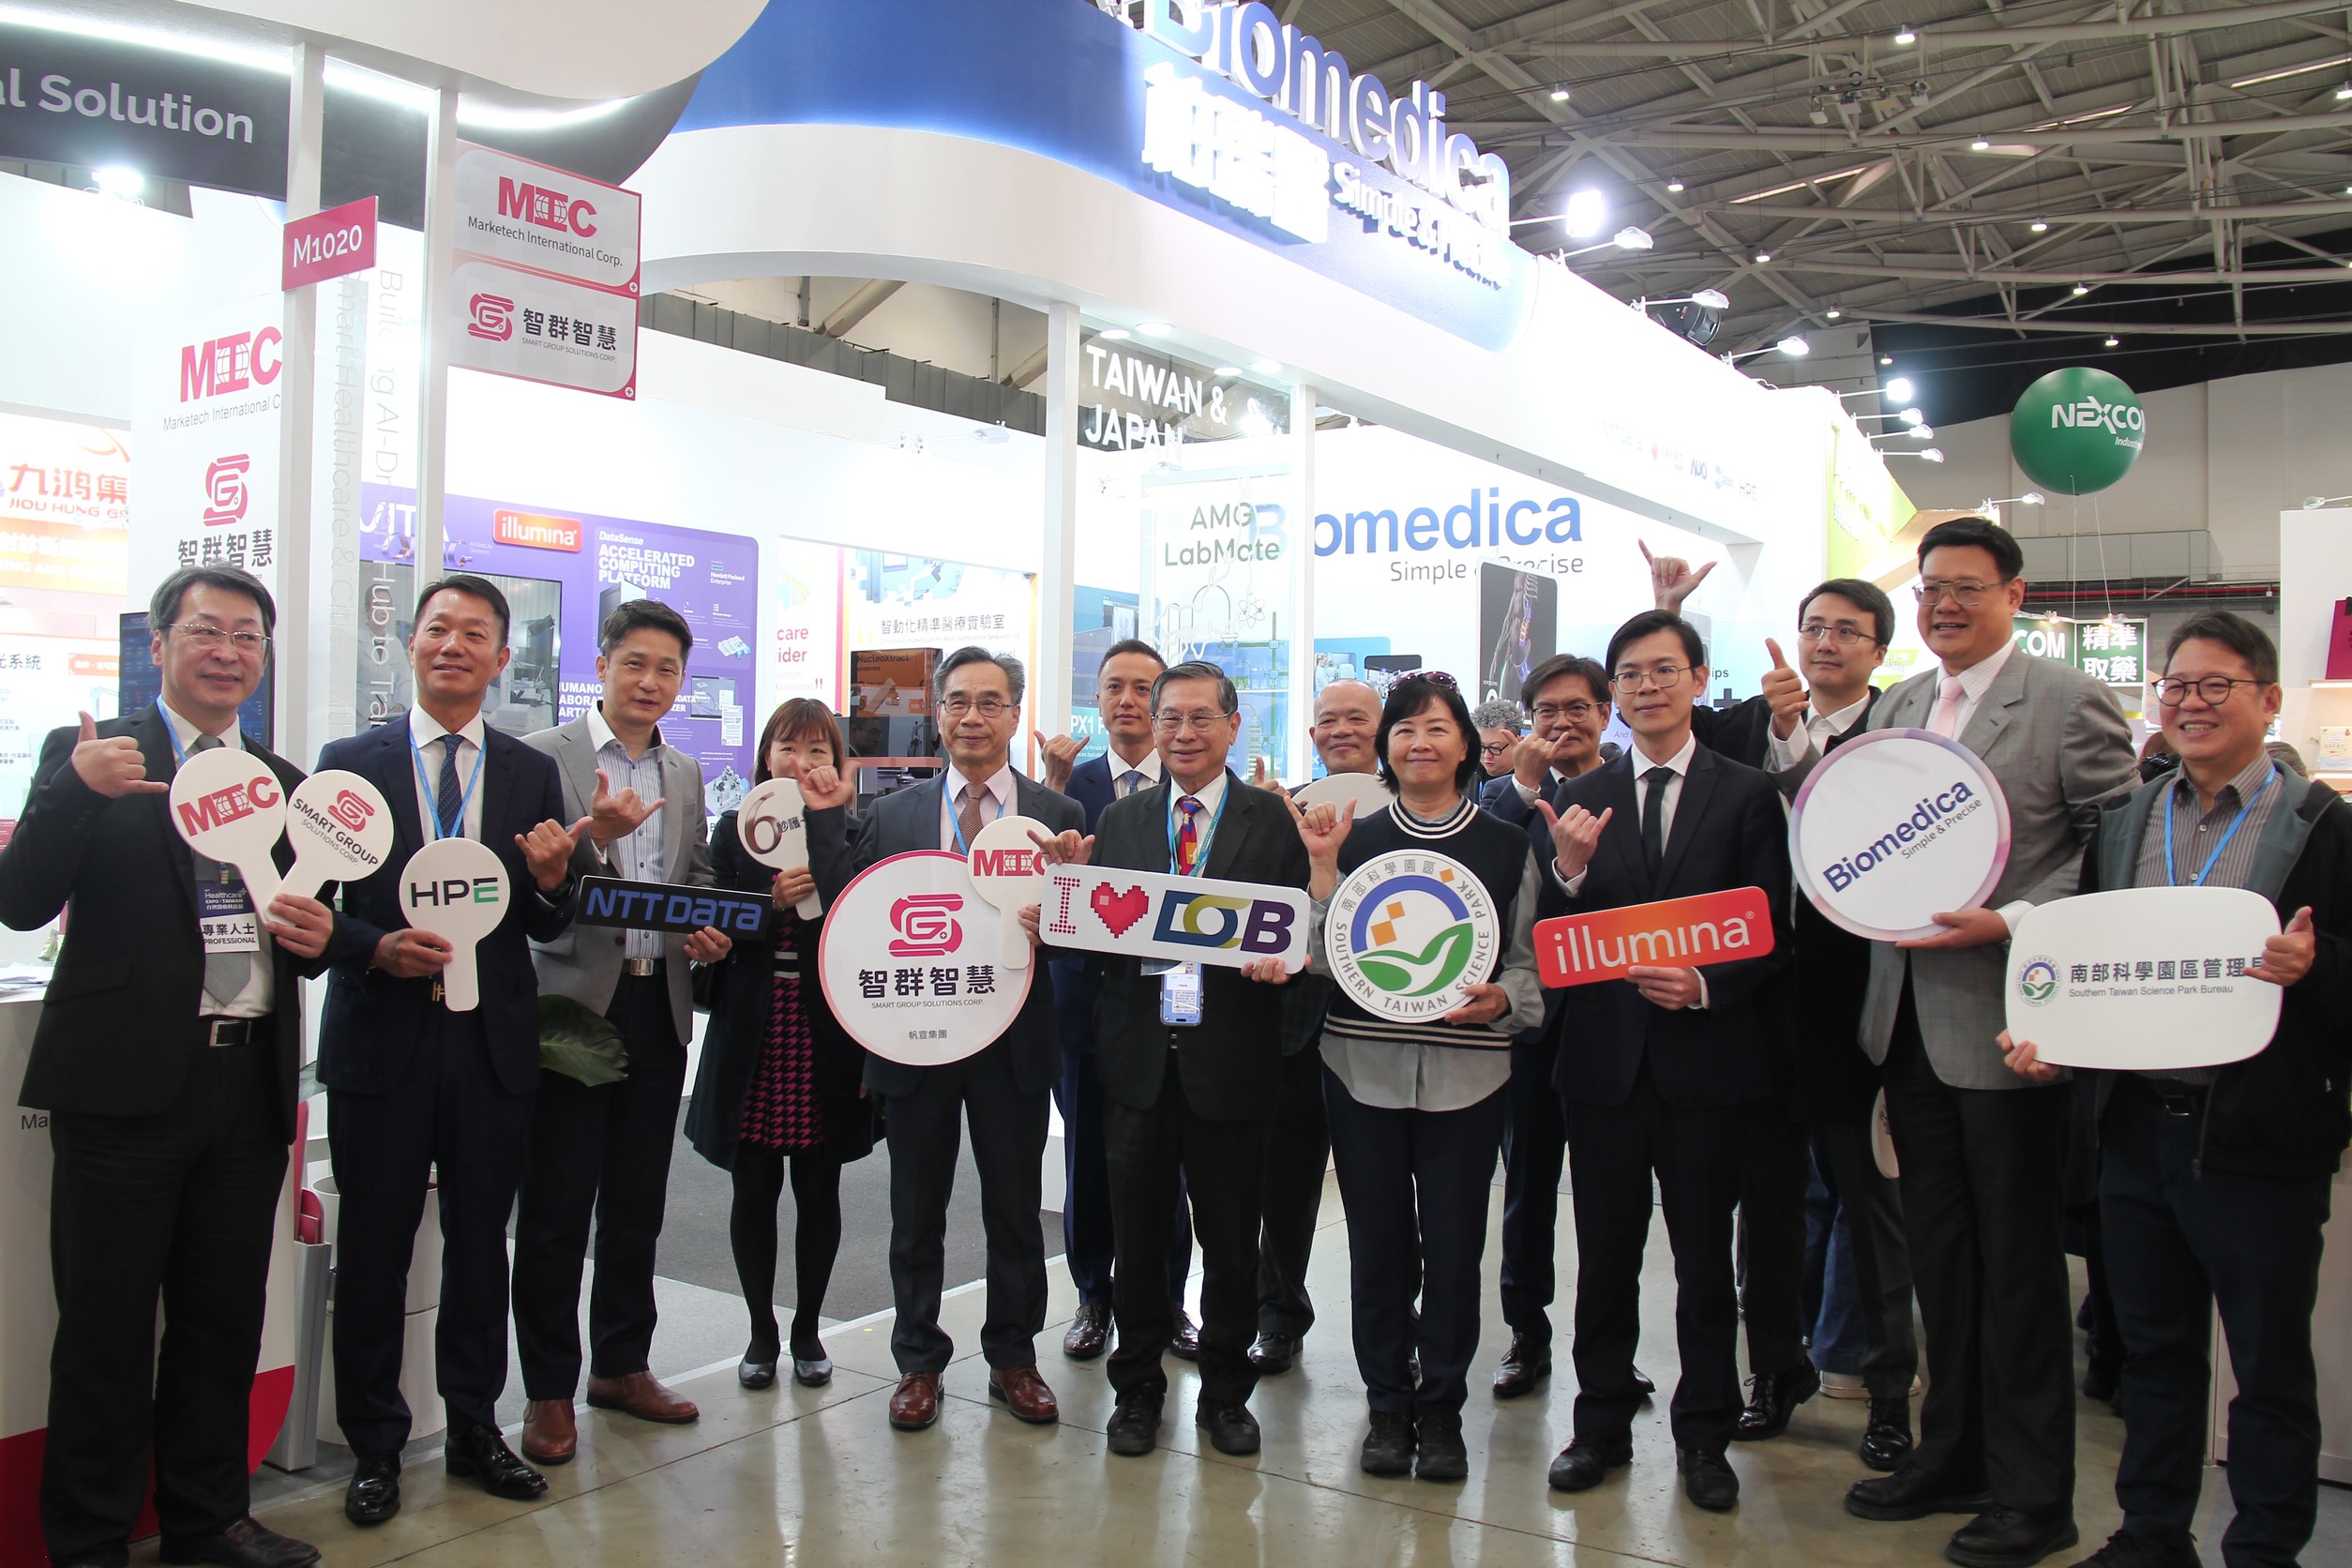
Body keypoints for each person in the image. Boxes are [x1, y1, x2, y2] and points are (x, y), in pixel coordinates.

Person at [1774, 518, 2134, 1568]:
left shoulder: (2065, 700)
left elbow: (2114, 843)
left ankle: (2035, 1495)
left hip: (2009, 1022)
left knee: (2019, 1270)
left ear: (2014, 595)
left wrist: (2014, 919)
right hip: (1905, 1029)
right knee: (1942, 1262)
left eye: (1966, 587)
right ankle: (1954, 1455)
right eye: (1931, 587)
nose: (1943, 605)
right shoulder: (1901, 705)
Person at [2001, 611, 2350, 1568]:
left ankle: (2264, 1545)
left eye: (2216, 685)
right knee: (2152, 1353)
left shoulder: (2324, 826)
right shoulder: (2126, 822)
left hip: (2257, 1139)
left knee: (2268, 1363)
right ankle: (2152, 1533)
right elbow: (2097, 967)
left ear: (2268, 700)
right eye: (2177, 686)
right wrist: (2057, 1046)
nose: (2192, 703)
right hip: (2137, 1134)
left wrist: (2317, 966)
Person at [2, 566, 334, 1568]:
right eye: (206, 631)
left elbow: (301, 926)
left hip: (246, 1084)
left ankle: (208, 1521)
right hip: (123, 1086)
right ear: (158, 645)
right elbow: (20, 901)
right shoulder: (93, 755)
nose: (228, 652)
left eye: (247, 636)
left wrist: (318, 936)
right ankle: (91, 1540)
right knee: (105, 1330)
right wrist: (73, 793)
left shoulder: (281, 781)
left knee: (220, 1320)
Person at [316, 575, 588, 1526]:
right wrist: (375, 947)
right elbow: (313, 909)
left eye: (476, 634)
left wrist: (551, 881)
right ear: (411, 643)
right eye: (439, 628)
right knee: (376, 1250)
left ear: (502, 658)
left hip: (489, 1048)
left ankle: (474, 1424)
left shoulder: (525, 770)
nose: (454, 645)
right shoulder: (349, 767)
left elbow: (544, 919)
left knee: (480, 1247)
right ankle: (375, 1444)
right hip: (382, 1040)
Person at [1653, 559, 1922, 1469]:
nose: (1826, 643)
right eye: (1815, 627)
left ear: (1878, 651)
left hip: (1856, 1004)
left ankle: (1889, 1391)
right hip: (1750, 1007)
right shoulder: (1739, 723)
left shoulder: (1903, 737)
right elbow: (1662, 715)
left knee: (1870, 1208)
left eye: (1848, 630)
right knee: (1766, 1211)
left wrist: (1797, 738)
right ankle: (1775, 1371)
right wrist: (1668, 610)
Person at [1535, 610, 1791, 1515]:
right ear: (1615, 695)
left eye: (1663, 670)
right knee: (1604, 1258)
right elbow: (1551, 938)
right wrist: (1568, 873)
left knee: (1703, 1264)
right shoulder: (1580, 796)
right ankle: (1599, 1423)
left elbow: (1773, 927)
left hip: (1706, 1065)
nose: (1647, 688)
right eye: (1631, 675)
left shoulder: (1747, 793)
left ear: (1698, 679)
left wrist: (1708, 985)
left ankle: (1704, 1436)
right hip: (1604, 1068)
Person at [820, 646, 1082, 1432]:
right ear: (937, 713)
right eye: (958, 701)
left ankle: (1014, 1357)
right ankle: (918, 1362)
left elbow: (1081, 937)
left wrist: (1056, 919)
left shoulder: (1058, 816)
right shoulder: (893, 814)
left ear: (1014, 715)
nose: (973, 717)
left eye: (991, 703)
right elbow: (858, 928)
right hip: (917, 1039)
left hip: (1013, 1044)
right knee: (915, 1209)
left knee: (1015, 1209)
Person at [1292, 673, 1544, 1482]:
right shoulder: (1351, 837)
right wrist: (1324, 871)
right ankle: (1386, 1406)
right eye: (1404, 730)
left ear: (1466, 744)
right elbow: (1321, 959)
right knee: (1376, 1246)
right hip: (1360, 1068)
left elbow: (1528, 965)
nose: (1420, 743)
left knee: (1456, 1246)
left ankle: (1440, 1411)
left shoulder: (1507, 846)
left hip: (1469, 1075)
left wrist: (1504, 999)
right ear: (1385, 748)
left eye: (1437, 728)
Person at [1067, 660, 1311, 1459]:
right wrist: (1062, 905)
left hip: (1232, 1064)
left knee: (1232, 1244)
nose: (1183, 733)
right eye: (1169, 717)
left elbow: (1296, 930)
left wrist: (1284, 964)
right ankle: (1136, 1391)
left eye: (1201, 717)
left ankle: (1227, 1395)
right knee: (1138, 1242)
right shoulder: (1125, 820)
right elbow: (1101, 940)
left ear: (1233, 726)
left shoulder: (1272, 821)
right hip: (1137, 1062)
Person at [512, 600, 733, 1467]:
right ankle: (547, 1390)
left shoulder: (684, 771)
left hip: (657, 1005)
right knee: (558, 1208)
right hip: (572, 1009)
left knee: (638, 1204)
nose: (650, 681)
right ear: (601, 665)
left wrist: (710, 927)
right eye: (634, 663)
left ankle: (621, 1365)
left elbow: (698, 877)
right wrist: (590, 842)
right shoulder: (543, 758)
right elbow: (529, 885)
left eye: (667, 669)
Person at [686, 699, 875, 1391]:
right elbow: (709, 919)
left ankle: (808, 1330)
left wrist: (825, 834)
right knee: (755, 1186)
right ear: (765, 756)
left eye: (818, 750)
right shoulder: (734, 832)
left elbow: (860, 926)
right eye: (788, 748)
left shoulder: (854, 830)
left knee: (820, 1187)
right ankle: (761, 1332)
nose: (802, 763)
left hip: (827, 1032)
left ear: (837, 763)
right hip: (755, 1027)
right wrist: (764, 907)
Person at [1476, 654, 1639, 1403]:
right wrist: (1525, 785)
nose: (1562, 723)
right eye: (1547, 711)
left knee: (1615, 1204)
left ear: (1606, 713)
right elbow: (1485, 868)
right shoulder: (1504, 795)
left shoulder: (1633, 793)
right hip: (1533, 1024)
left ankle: (1610, 1351)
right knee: (1528, 1189)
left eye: (1578, 708)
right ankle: (1526, 1335)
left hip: (1616, 1020)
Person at [1033, 639, 1198, 1364]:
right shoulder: (1066, 788)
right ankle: (1093, 1297)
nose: (1127, 701)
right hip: (1083, 1003)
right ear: (1096, 701)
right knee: (1089, 1159)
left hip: (1170, 1003)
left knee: (1170, 1161)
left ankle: (1168, 1299)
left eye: (1142, 688)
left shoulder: (1196, 788)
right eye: (1113, 687)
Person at [1244, 678, 1381, 1377]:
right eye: (1329, 720)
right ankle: (1278, 1316)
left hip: (1384, 1028)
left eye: (1358, 717)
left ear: (1383, 728)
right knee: (1286, 1186)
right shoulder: (1282, 808)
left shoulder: (1415, 809)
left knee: (1386, 1193)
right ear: (1312, 734)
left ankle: (1394, 1326)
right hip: (1296, 1026)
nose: (1342, 730)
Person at [1470, 699, 1524, 781]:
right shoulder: (1465, 771)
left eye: (1495, 748)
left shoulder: (1530, 782)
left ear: (1519, 743)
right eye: (1481, 747)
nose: (1486, 755)